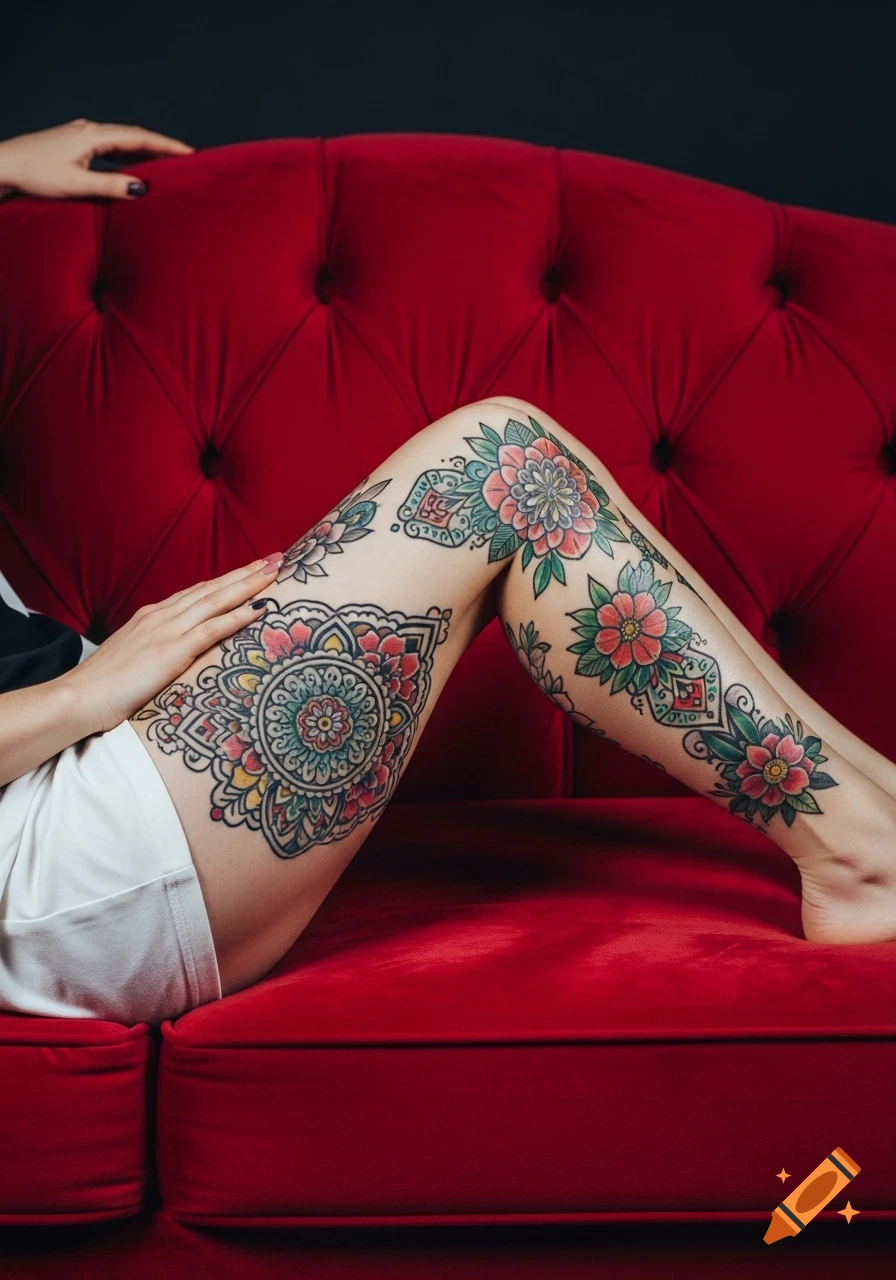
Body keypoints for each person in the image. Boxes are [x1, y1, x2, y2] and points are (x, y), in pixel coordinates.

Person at [2, 122, 895, 1028]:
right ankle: (863, 857)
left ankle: (879, 813)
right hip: (58, 865)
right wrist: (91, 694)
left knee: (521, 469)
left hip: (80, 759)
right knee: (500, 471)